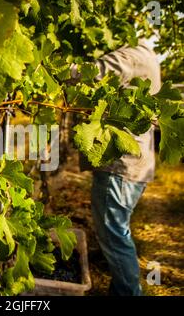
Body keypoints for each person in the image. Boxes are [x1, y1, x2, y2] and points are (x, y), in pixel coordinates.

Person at [71, 39, 161, 296]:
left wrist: (53, 72)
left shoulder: (133, 56)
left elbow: (97, 71)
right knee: (118, 233)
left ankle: (129, 292)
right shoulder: (149, 56)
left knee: (115, 237)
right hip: (133, 165)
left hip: (120, 166)